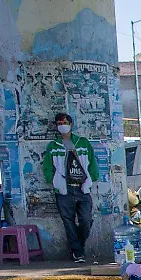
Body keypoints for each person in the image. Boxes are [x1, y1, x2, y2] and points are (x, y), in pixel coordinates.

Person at [42, 112, 98, 263]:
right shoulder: (53, 146)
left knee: (86, 220)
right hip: (64, 189)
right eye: (59, 124)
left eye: (65, 123)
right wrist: (54, 181)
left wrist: (91, 178)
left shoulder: (83, 143)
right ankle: (78, 252)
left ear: (71, 124)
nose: (62, 126)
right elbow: (47, 167)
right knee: (68, 221)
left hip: (82, 188)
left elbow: (92, 163)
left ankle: (78, 244)